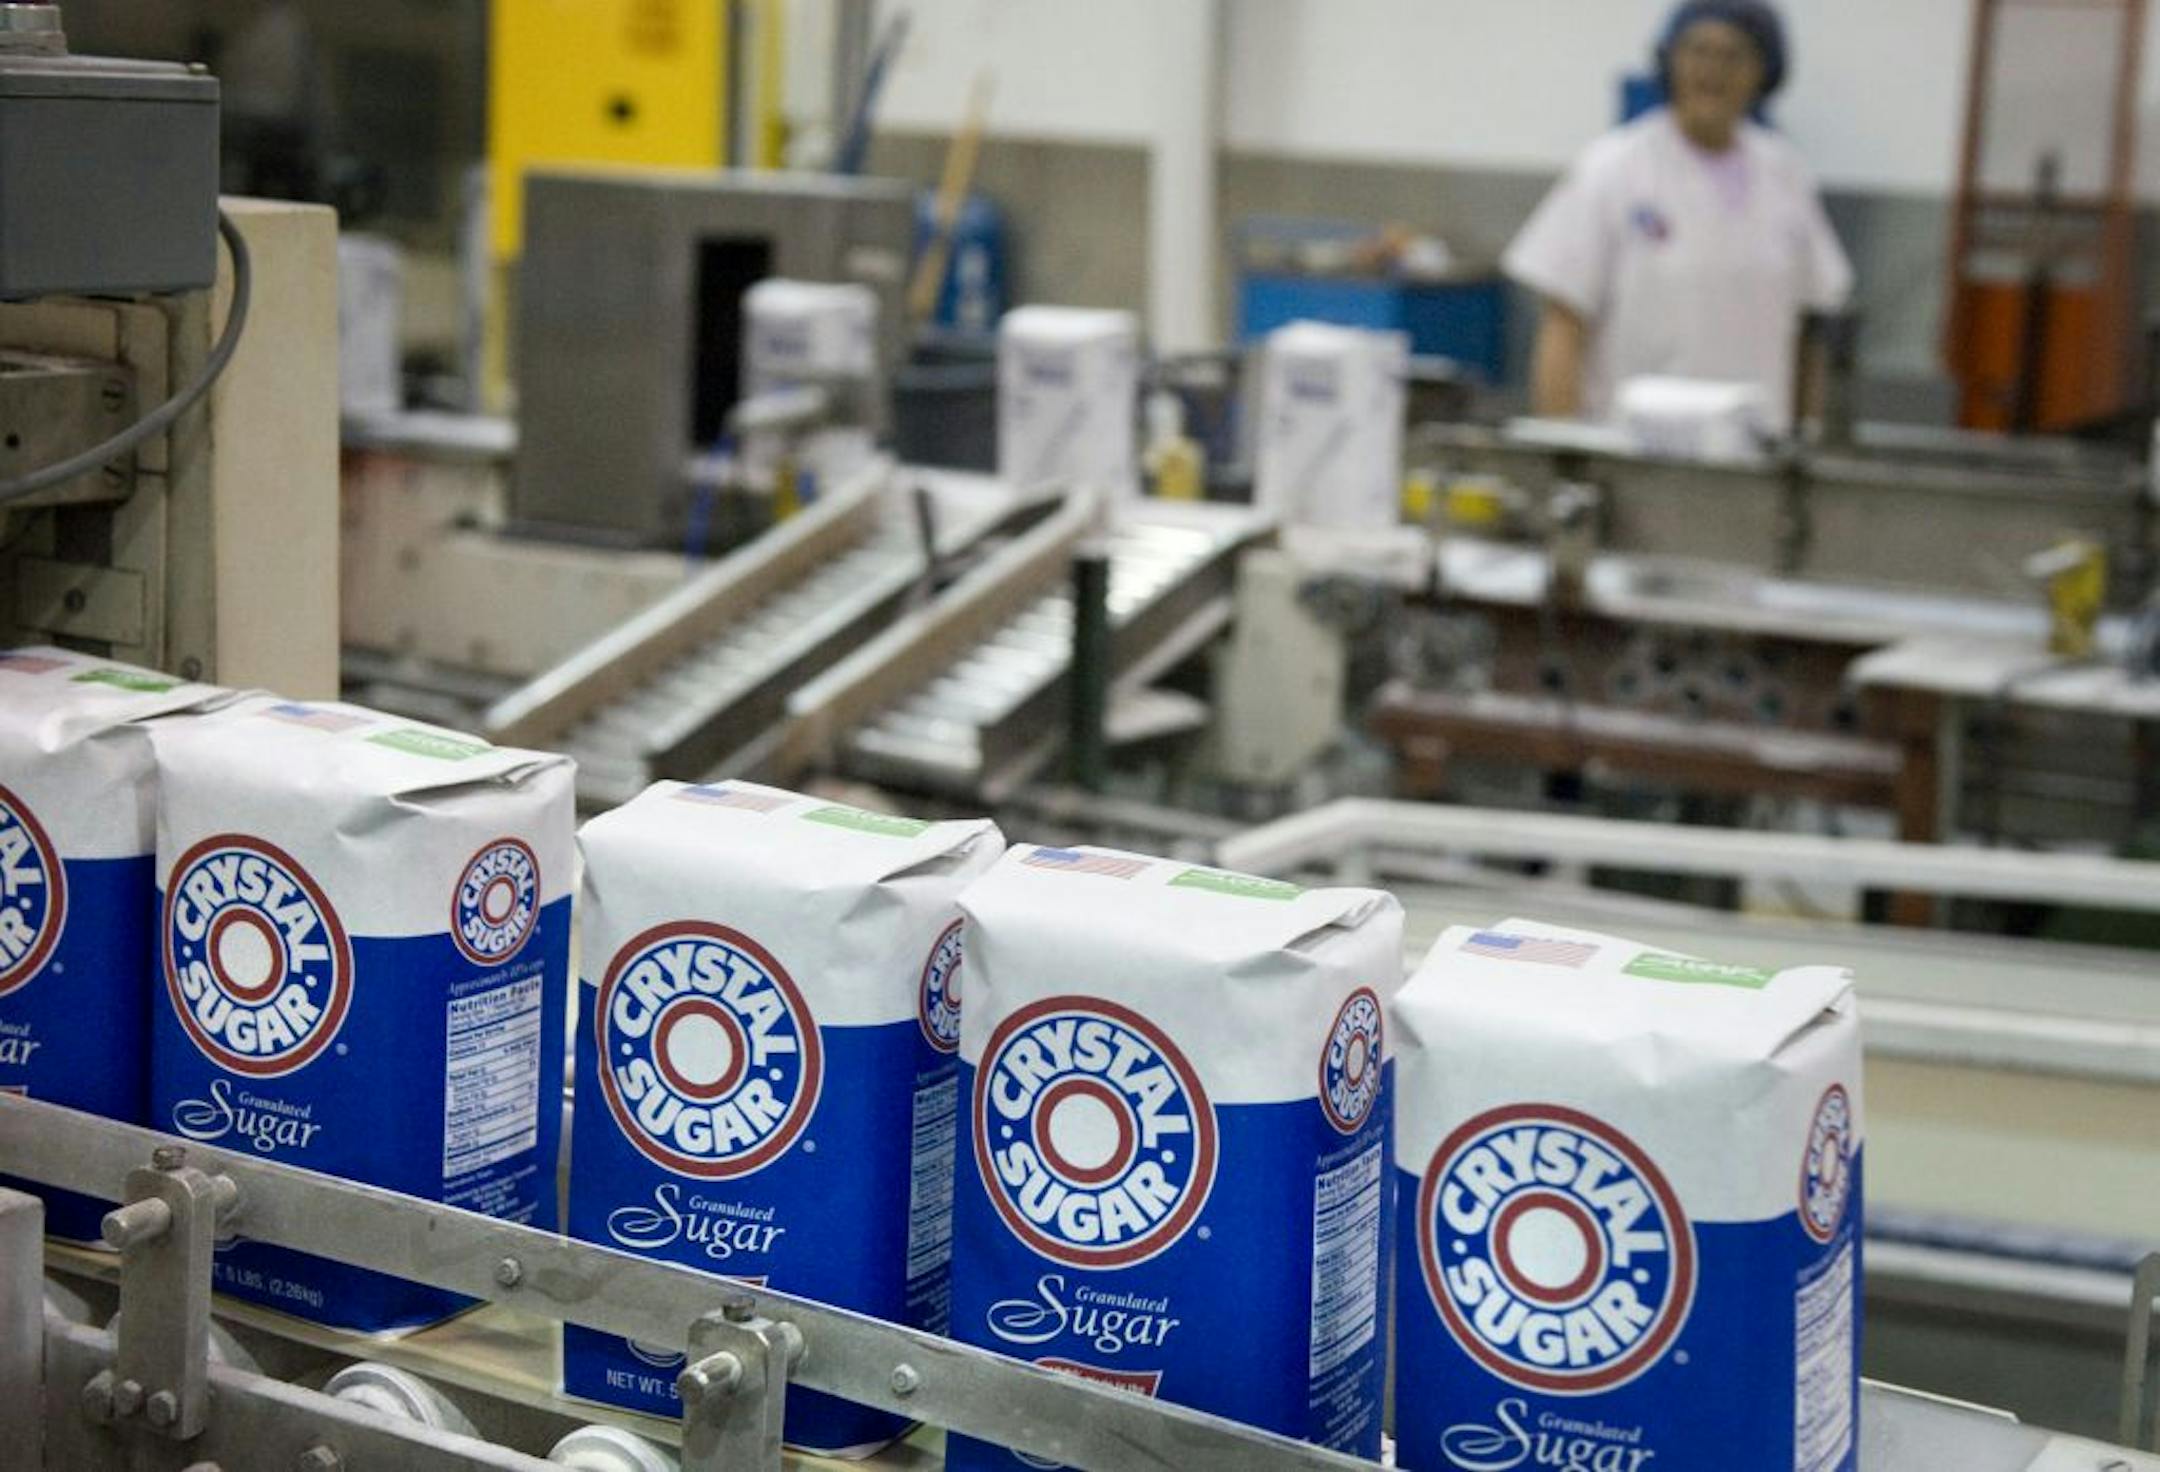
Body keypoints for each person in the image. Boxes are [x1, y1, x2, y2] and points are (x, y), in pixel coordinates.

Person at [1504, 0, 1853, 428]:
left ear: (1763, 72)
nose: (1713, 69)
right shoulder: (1613, 168)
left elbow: (1812, 328)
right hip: (1633, 446)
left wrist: (1803, 439)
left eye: (1734, 55)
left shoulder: (1787, 175)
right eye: (1698, 50)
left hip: (1755, 446)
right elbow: (1563, 321)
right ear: (1669, 61)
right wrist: (1563, 445)